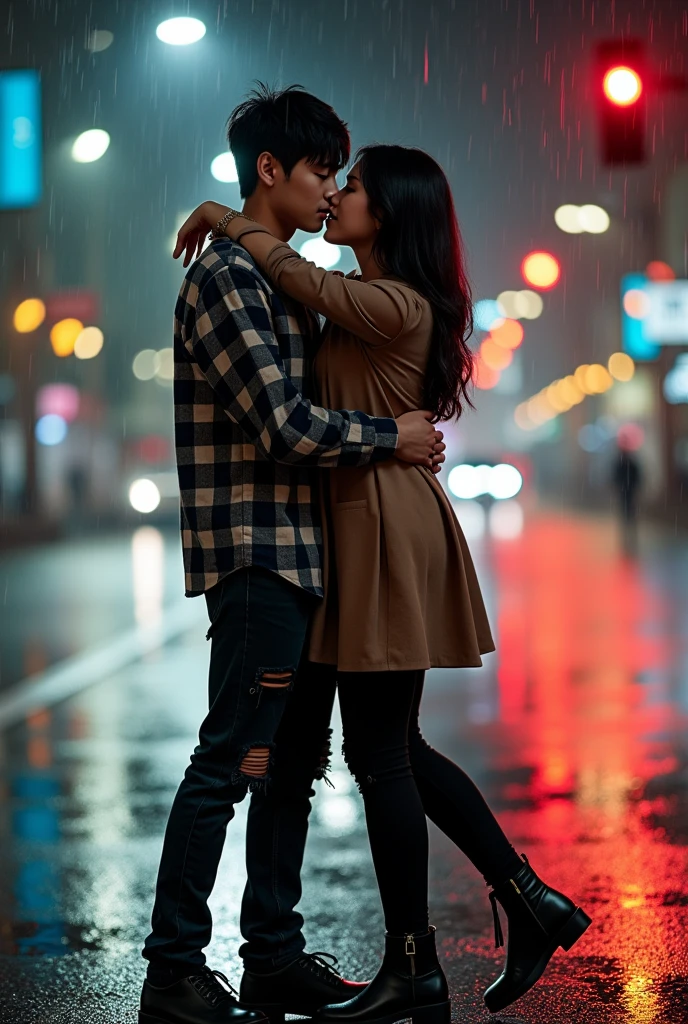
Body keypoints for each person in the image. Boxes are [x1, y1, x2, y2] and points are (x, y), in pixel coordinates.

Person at [176, 142, 592, 1021]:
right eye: (331, 177)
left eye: (352, 185)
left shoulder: (390, 302)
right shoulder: (369, 302)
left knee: (383, 756)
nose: (335, 196)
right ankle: (518, 902)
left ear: (390, 213)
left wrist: (224, 218)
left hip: (382, 527)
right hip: (360, 524)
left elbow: (302, 278)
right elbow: (303, 289)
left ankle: (424, 962)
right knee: (390, 750)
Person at [139, 85, 446, 1024]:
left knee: (287, 765)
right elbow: (282, 424)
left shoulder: (269, 270)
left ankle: (272, 956)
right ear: (270, 169)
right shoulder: (228, 281)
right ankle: (174, 973)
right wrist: (388, 437)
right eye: (319, 172)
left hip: (300, 555)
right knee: (231, 759)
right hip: (256, 551)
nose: (327, 194)